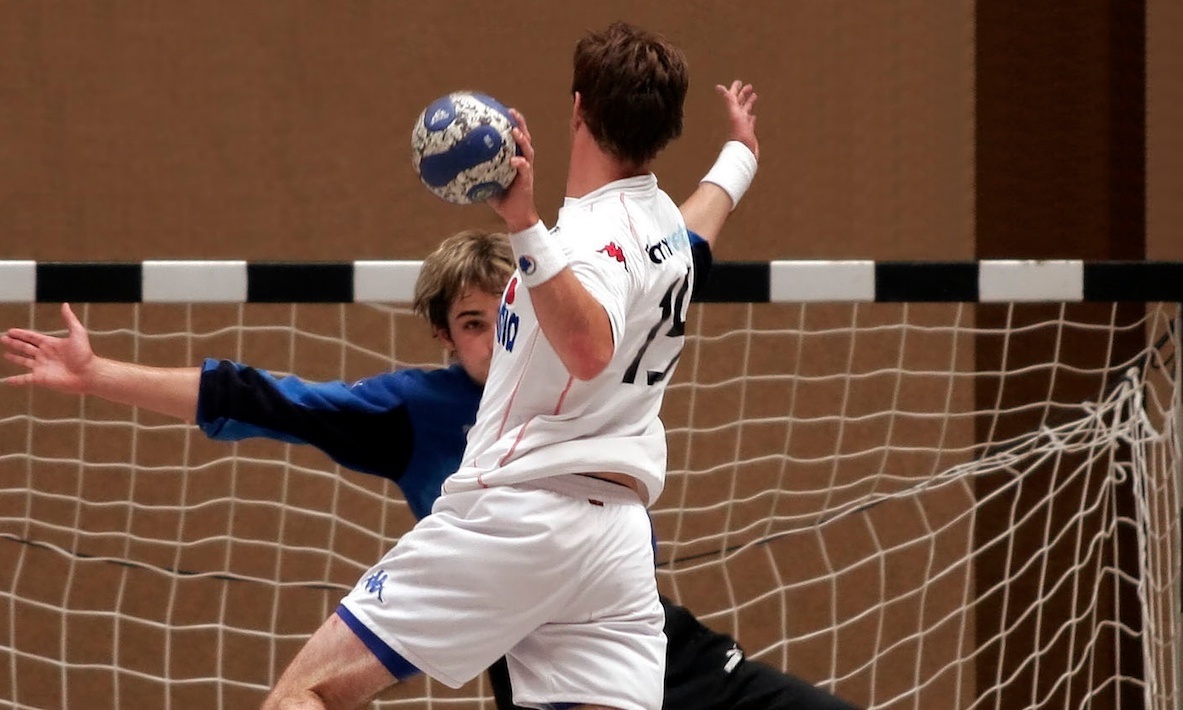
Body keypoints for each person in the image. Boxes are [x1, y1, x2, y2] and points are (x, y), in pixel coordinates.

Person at [5, 48, 851, 710]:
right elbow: (257, 396)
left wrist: (523, 224)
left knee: (305, 689)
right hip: (611, 538)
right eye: (474, 323)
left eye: (503, 316)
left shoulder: (573, 255)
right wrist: (738, 154)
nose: (492, 337)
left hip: (533, 518)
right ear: (445, 334)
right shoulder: (634, 249)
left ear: (576, 111)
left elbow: (587, 337)